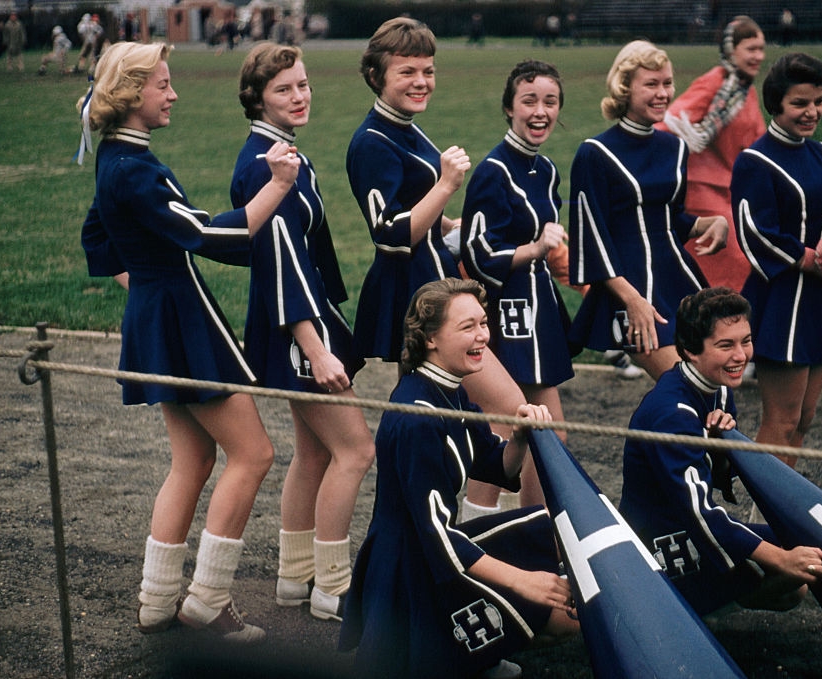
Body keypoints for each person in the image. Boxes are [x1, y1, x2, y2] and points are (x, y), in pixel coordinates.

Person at [79, 41, 301, 643]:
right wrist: (278, 184)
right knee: (253, 455)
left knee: (194, 460)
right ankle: (206, 599)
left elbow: (96, 236)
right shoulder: (136, 168)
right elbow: (202, 231)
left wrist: (146, 288)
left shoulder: (114, 158)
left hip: (160, 316)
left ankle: (155, 602)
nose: (173, 95)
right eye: (163, 86)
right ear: (132, 96)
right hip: (182, 320)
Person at [338, 278, 579, 679]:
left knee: (548, 533)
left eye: (484, 323)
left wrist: (518, 436)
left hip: (434, 550)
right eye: (468, 327)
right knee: (556, 619)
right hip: (409, 570)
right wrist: (523, 582)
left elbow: (500, 468)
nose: (483, 335)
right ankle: (460, 655)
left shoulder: (450, 390)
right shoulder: (418, 417)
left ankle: (469, 654)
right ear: (431, 338)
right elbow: (437, 538)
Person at [346, 17, 530, 518]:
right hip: (416, 296)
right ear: (376, 75)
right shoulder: (371, 141)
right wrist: (446, 185)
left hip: (437, 285)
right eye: (407, 71)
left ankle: (472, 528)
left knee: (460, 416)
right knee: (508, 410)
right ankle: (474, 529)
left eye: (428, 70)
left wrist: (455, 223)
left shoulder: (405, 127)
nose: (422, 81)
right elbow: (389, 232)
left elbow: (420, 218)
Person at [230, 42, 375, 623]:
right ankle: (332, 587)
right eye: (285, 88)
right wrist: (315, 349)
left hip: (297, 324)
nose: (300, 96)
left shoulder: (282, 153)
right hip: (297, 331)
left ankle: (295, 577)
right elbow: (280, 266)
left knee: (315, 452)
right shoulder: (267, 164)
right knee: (355, 450)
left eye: (304, 84)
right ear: (257, 97)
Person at [619, 287, 822, 617]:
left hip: (687, 526)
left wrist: (719, 450)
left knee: (813, 548)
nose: (741, 355)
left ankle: (714, 595)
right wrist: (780, 559)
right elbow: (699, 512)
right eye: (725, 345)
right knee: (793, 570)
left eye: (745, 340)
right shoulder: (672, 413)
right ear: (690, 350)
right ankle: (682, 608)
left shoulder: (715, 387)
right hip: (659, 546)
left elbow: (713, 478)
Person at [731, 53, 822, 467]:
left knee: (804, 419)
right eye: (800, 104)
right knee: (782, 420)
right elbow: (753, 229)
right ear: (777, 104)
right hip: (783, 302)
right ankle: (763, 517)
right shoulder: (755, 160)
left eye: (819, 102)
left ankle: (784, 517)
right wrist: (808, 259)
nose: (812, 112)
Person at [568, 40, 729, 382]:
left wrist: (707, 223)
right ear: (624, 89)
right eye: (651, 84)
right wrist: (632, 299)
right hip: (629, 291)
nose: (662, 93)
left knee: (710, 391)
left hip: (676, 280)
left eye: (667, 83)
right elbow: (592, 240)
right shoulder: (595, 153)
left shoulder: (676, 148)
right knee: (685, 387)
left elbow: (666, 220)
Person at [461, 59, 573, 448]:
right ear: (510, 108)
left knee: (545, 437)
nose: (540, 112)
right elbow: (476, 253)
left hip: (539, 304)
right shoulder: (494, 170)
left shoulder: (547, 170)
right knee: (510, 431)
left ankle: (539, 512)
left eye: (550, 102)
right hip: (507, 310)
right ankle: (485, 511)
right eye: (529, 101)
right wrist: (535, 248)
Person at [662, 15, 767, 292]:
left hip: (733, 190)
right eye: (751, 49)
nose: (759, 56)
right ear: (732, 51)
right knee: (735, 259)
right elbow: (670, 121)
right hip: (702, 191)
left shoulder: (745, 90)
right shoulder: (715, 83)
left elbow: (760, 144)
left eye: (761, 49)